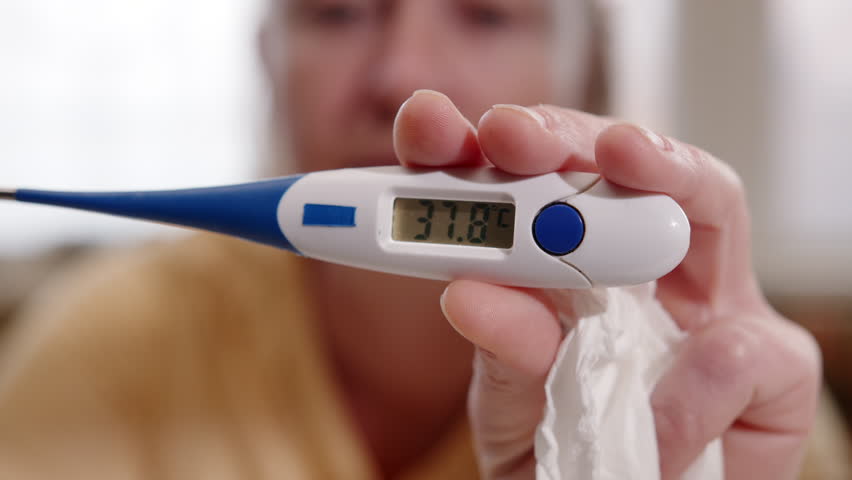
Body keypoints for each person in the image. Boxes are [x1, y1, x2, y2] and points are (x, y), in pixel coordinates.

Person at [0, 1, 846, 479]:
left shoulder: (726, 402)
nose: (401, 74)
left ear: (584, 74)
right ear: (267, 60)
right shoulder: (105, 350)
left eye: (486, 15)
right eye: (336, 13)